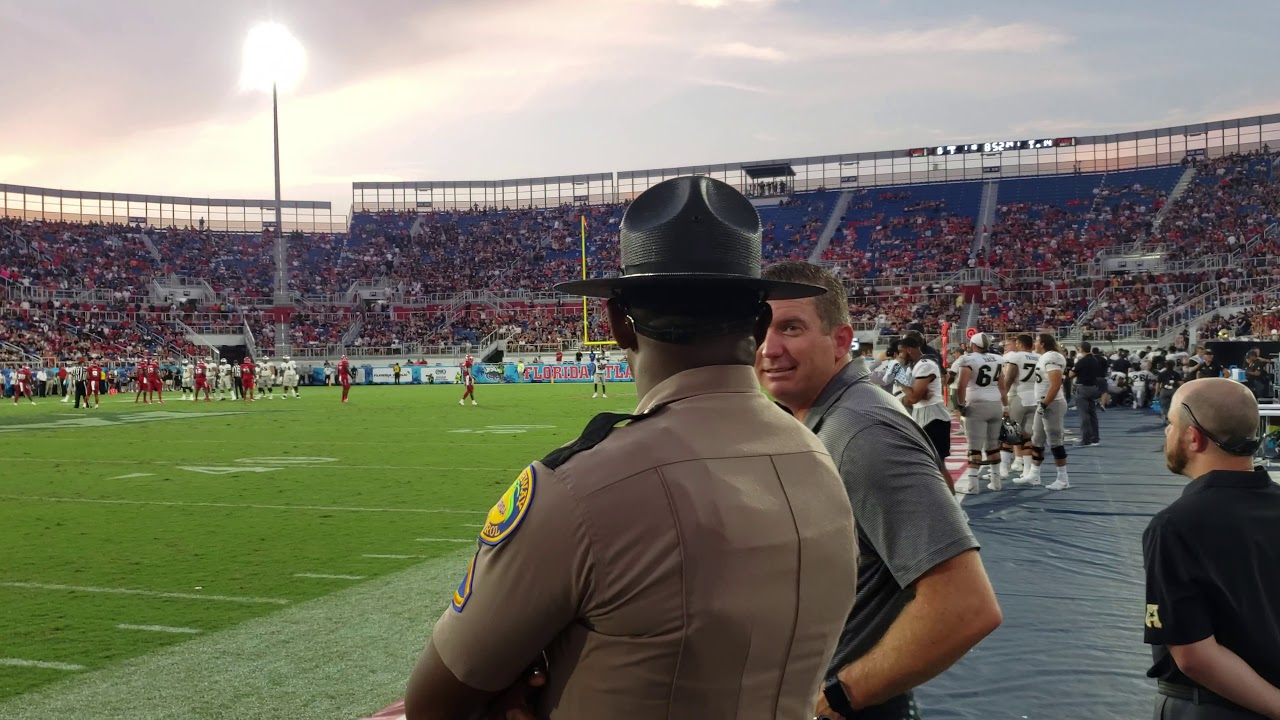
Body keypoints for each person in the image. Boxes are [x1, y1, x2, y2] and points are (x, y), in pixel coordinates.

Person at [404, 177, 858, 720]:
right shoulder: (820, 458)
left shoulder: (579, 488)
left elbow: (434, 703)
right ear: (760, 325)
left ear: (618, 323)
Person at [755, 260, 1001, 720]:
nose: (769, 349)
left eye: (791, 328)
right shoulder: (831, 417)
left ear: (842, 340)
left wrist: (837, 698)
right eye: (760, 328)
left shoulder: (862, 432)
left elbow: (966, 607)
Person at [1143, 378, 1280, 719]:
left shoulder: (1176, 525)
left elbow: (1194, 656)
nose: (1166, 434)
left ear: (1193, 437)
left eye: (1170, 424)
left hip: (1213, 706)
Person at [953, 333, 1008, 493]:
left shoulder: (969, 359)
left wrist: (961, 404)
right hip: (995, 404)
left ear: (972, 345)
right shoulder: (998, 359)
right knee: (993, 445)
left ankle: (972, 485)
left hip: (976, 404)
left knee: (974, 446)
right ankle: (996, 482)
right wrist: (1005, 406)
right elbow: (1002, 386)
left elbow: (962, 385)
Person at [1016, 333, 1069, 490]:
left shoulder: (1052, 357)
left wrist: (1045, 404)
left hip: (1052, 403)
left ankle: (1063, 478)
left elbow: (1055, 384)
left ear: (1043, 343)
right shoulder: (1044, 357)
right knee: (1037, 439)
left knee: (1055, 440)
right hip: (1044, 403)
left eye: (1037, 341)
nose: (1034, 343)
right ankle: (1034, 474)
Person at [896, 334, 952, 464]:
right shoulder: (917, 365)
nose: (900, 355)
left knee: (937, 465)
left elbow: (914, 397)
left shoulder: (924, 364)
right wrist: (908, 397)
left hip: (934, 416)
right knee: (925, 464)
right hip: (924, 414)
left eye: (901, 352)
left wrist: (899, 377)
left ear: (909, 350)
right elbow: (916, 396)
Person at [1001, 333, 1041, 479]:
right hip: (1034, 398)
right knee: (1027, 436)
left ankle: (1003, 469)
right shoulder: (1039, 357)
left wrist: (1002, 398)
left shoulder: (1015, 357)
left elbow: (1010, 378)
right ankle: (1027, 471)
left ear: (1019, 344)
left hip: (1018, 396)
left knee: (1009, 434)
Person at [1070, 341, 1106, 447]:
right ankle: (1095, 438)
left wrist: (1070, 367)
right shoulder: (1095, 360)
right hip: (1094, 387)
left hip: (1084, 388)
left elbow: (1071, 374)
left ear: (1081, 349)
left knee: (1084, 415)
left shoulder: (1082, 361)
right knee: (1092, 414)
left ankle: (1085, 439)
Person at [1156, 360, 1182, 426]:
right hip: (1174, 390)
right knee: (1174, 405)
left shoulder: (1161, 374)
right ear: (1173, 366)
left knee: (1164, 406)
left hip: (1164, 390)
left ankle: (1165, 418)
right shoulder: (1176, 374)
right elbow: (1181, 383)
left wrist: (1157, 392)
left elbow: (1158, 384)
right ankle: (1174, 418)